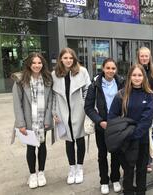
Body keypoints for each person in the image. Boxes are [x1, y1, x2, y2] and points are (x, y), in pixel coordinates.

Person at [108, 64, 153, 195]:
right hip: (125, 141)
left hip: (142, 140)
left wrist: (134, 134)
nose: (137, 78)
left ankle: (141, 191)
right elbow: (112, 117)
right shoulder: (121, 95)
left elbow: (147, 119)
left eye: (140, 75)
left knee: (141, 169)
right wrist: (125, 135)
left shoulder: (149, 95)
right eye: (134, 75)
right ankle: (127, 191)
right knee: (128, 170)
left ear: (144, 77)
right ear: (129, 77)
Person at [12, 52, 53, 189]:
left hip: (42, 120)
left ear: (43, 64)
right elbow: (17, 104)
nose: (37, 65)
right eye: (34, 63)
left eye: (39, 63)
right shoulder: (21, 80)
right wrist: (21, 123)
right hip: (29, 121)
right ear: (29, 64)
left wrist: (48, 118)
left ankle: (41, 172)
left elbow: (50, 101)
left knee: (42, 146)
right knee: (30, 148)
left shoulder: (47, 79)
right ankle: (32, 174)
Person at [84, 58, 124, 194]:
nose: (110, 71)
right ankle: (104, 181)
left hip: (117, 125)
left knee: (116, 153)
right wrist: (100, 121)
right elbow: (88, 107)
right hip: (102, 124)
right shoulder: (94, 85)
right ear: (103, 69)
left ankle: (115, 179)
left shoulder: (121, 83)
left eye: (113, 68)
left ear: (116, 70)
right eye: (108, 68)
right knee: (102, 154)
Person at [52, 47, 91, 185]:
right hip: (63, 112)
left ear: (74, 59)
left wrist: (86, 108)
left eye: (70, 58)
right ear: (60, 59)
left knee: (80, 140)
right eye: (65, 58)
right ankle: (72, 168)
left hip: (79, 111)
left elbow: (88, 90)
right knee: (69, 141)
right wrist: (54, 112)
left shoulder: (82, 71)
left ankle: (79, 168)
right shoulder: (55, 74)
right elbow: (53, 96)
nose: (68, 60)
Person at [136, 46, 153, 173]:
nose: (144, 58)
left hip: (151, 108)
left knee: (152, 136)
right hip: (138, 108)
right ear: (138, 57)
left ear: (150, 57)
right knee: (140, 134)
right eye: (142, 56)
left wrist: (149, 93)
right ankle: (139, 160)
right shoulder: (134, 71)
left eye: (146, 56)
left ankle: (149, 161)